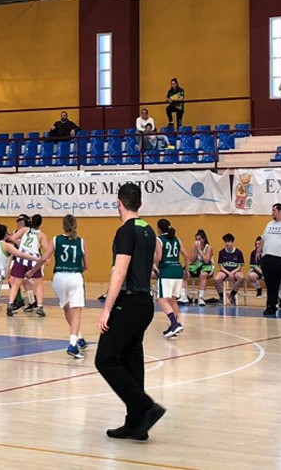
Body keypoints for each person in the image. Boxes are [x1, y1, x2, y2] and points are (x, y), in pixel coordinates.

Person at [95, 182, 165, 441]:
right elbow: (157, 256)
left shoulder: (125, 231)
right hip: (145, 303)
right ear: (140, 203)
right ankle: (136, 424)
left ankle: (146, 406)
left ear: (119, 203)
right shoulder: (147, 229)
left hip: (129, 301)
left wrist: (106, 309)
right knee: (132, 360)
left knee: (105, 359)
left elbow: (120, 270)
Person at [25, 214, 89, 358]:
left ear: (63, 226)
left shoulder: (55, 239)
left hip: (58, 278)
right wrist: (76, 270)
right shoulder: (81, 242)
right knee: (77, 311)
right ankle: (73, 344)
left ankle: (78, 336)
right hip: (74, 277)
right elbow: (86, 265)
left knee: (66, 307)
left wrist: (31, 271)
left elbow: (43, 258)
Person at [7, 214, 50, 316]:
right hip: (34, 261)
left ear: (31, 221)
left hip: (21, 259)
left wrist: (9, 236)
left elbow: (12, 239)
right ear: (40, 223)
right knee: (38, 284)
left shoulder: (24, 230)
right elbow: (47, 249)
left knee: (16, 283)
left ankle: (10, 304)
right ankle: (39, 306)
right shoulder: (41, 235)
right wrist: (47, 259)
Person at [153, 219, 190, 338]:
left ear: (159, 228)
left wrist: (150, 260)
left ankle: (174, 324)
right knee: (173, 299)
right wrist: (187, 270)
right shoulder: (177, 239)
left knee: (162, 299)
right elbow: (187, 256)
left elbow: (158, 257)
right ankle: (173, 327)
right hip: (178, 270)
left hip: (167, 271)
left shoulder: (159, 239)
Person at [6, 213, 36, 315]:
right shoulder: (15, 232)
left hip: (28, 258)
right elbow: (10, 244)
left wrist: (13, 238)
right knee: (12, 280)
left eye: (21, 222)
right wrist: (8, 238)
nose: (19, 224)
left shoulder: (30, 233)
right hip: (16, 259)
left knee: (26, 281)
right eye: (18, 222)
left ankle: (31, 301)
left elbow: (23, 245)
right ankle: (20, 300)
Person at [213, 233, 245, 305]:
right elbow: (221, 267)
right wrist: (228, 273)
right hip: (225, 271)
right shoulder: (221, 252)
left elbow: (239, 267)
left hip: (235, 271)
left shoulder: (238, 252)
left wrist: (232, 272)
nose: (227, 243)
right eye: (225, 242)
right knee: (216, 279)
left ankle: (232, 294)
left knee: (241, 277)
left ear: (232, 242)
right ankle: (222, 296)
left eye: (228, 241)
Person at [188, 229, 215, 306]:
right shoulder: (194, 248)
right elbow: (192, 261)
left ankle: (200, 298)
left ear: (204, 239)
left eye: (199, 239)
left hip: (207, 267)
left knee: (203, 275)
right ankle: (183, 296)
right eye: (196, 239)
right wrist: (196, 251)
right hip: (197, 266)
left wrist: (199, 250)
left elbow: (206, 260)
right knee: (184, 273)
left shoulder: (208, 247)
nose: (197, 241)